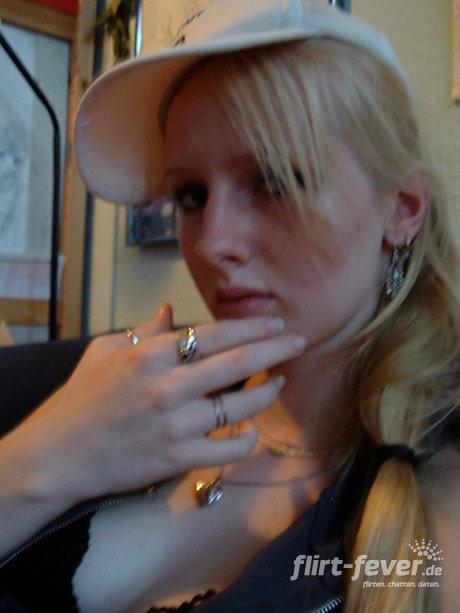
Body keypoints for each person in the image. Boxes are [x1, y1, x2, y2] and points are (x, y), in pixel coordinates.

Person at [0, 0, 459, 611]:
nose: (212, 244)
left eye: (275, 182)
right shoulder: (109, 384)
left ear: (402, 209)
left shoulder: (430, 500)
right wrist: (40, 463)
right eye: (191, 195)